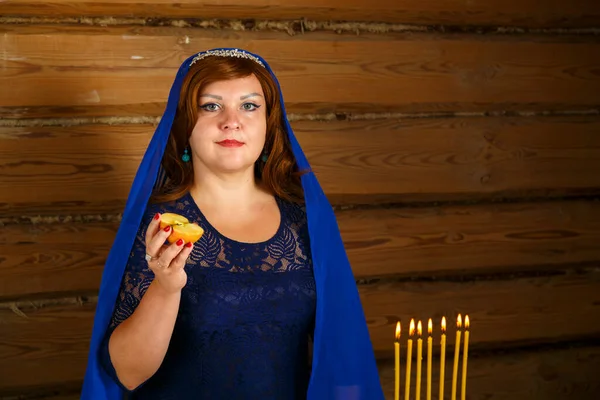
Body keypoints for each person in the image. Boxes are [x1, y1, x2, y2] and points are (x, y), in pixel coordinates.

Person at [81, 48, 384, 400]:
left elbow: (343, 354)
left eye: (250, 105)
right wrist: (165, 287)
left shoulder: (307, 219)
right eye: (211, 106)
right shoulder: (159, 223)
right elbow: (128, 374)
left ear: (270, 124)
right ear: (184, 124)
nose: (231, 121)